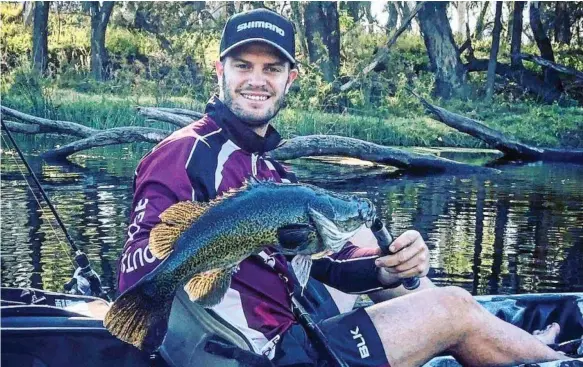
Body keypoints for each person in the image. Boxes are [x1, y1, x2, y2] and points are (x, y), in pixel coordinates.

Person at [117, 8, 566, 367]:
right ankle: (554, 359)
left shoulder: (269, 171)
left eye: (272, 68)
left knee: (371, 245)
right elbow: (138, 266)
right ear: (220, 70)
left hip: (290, 320)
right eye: (243, 65)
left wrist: (387, 270)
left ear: (289, 79)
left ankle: (509, 341)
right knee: (452, 307)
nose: (257, 80)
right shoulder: (184, 153)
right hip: (260, 353)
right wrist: (192, 264)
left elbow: (329, 263)